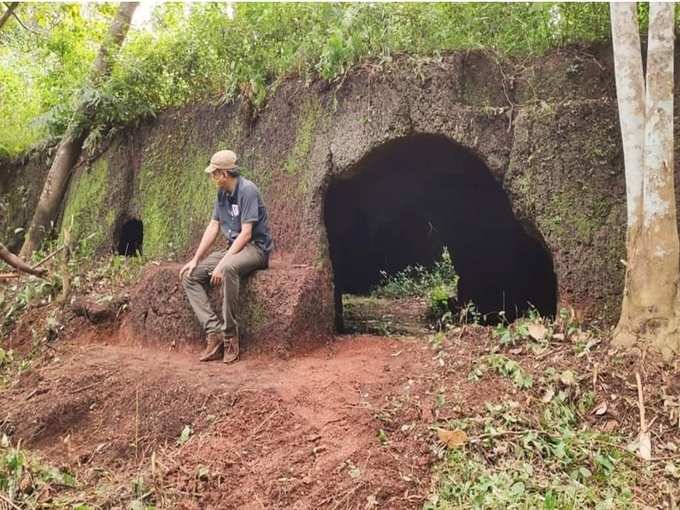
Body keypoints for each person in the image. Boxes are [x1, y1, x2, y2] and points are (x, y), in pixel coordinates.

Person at [179, 150, 272, 363]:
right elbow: (213, 227)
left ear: (224, 173)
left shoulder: (248, 190)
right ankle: (215, 333)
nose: (212, 177)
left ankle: (230, 335)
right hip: (233, 247)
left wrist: (222, 263)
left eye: (214, 173)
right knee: (189, 276)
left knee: (229, 268)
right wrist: (195, 259)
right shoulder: (222, 194)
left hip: (255, 248)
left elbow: (247, 233)